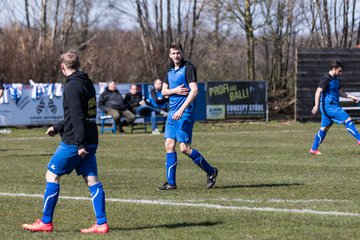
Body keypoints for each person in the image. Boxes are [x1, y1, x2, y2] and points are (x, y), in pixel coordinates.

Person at [22, 51, 109, 233]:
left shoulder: (72, 86)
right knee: (92, 180)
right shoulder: (87, 83)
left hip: (75, 142)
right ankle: (101, 223)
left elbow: (77, 116)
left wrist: (80, 144)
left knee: (51, 175)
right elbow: (82, 115)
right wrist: (58, 126)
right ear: (79, 65)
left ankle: (46, 222)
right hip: (91, 138)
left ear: (63, 67)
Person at [157, 42, 218, 190]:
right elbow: (164, 92)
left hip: (184, 113)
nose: (176, 56)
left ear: (182, 53)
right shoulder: (170, 71)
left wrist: (181, 109)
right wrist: (175, 90)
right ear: (170, 55)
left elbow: (194, 90)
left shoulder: (188, 68)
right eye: (173, 53)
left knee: (184, 148)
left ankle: (211, 171)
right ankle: (171, 183)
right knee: (169, 145)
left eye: (178, 53)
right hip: (172, 113)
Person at [310, 61, 360, 155]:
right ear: (334, 68)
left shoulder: (336, 80)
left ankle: (313, 149)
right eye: (339, 71)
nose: (341, 73)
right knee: (347, 120)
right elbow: (318, 92)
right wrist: (316, 105)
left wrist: (351, 97)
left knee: (324, 128)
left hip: (331, 106)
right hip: (329, 106)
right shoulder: (326, 79)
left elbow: (340, 93)